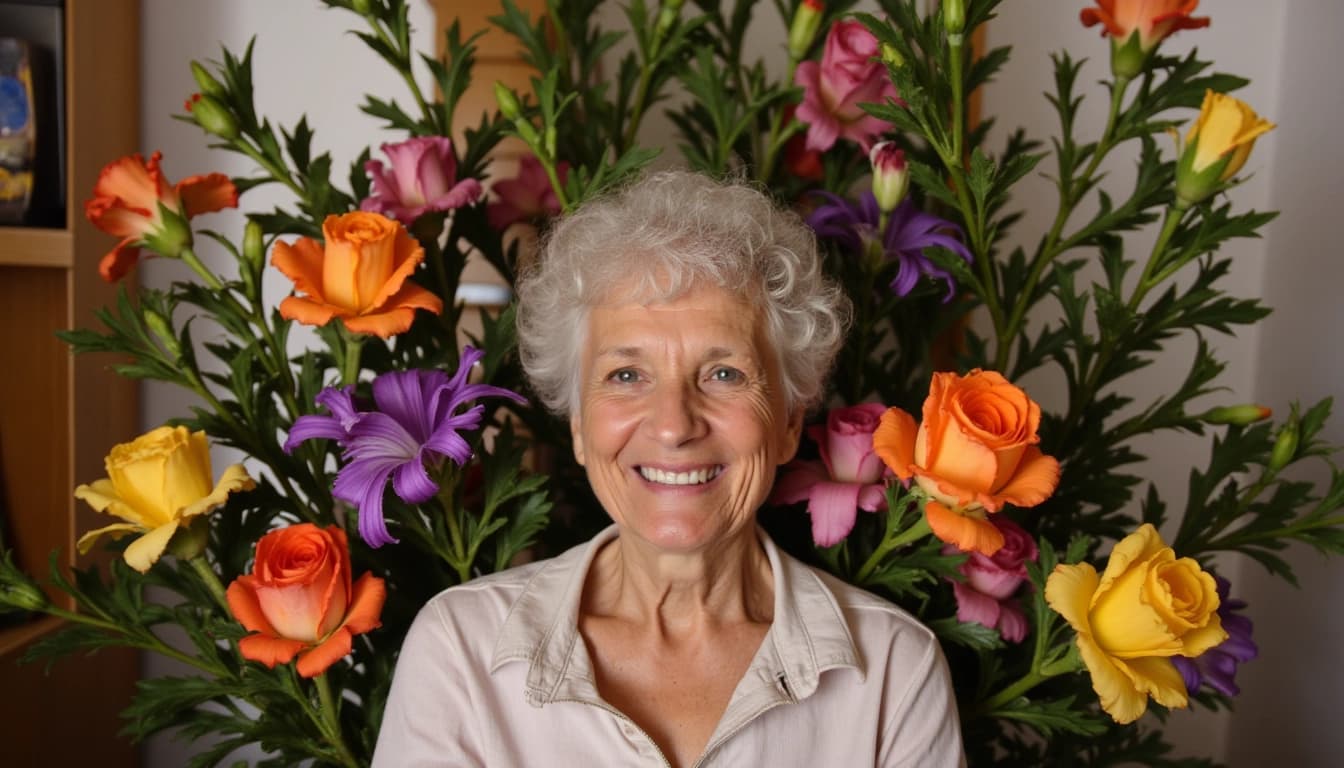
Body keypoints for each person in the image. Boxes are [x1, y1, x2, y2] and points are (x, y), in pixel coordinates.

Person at [372, 171, 965, 767]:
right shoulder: (461, 652)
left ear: (788, 422)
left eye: (724, 374)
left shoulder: (893, 670)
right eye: (626, 375)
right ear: (578, 425)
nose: (674, 425)